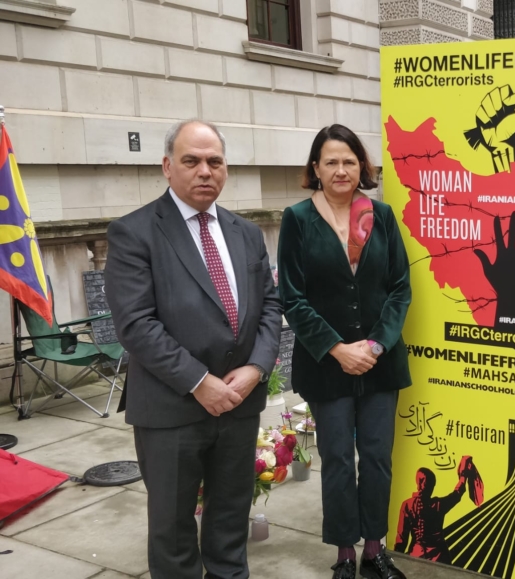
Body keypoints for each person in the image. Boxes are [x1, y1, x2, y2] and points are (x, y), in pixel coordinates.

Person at [106, 119, 282, 579]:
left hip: (239, 406)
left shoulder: (245, 232)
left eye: (215, 161)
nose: (205, 171)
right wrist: (200, 383)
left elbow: (269, 305)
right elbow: (136, 324)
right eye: (192, 161)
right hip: (172, 409)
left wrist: (257, 368)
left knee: (229, 526)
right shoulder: (134, 232)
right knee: (173, 534)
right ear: (167, 166)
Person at [278, 124, 412, 579]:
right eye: (331, 161)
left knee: (376, 456)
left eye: (349, 161)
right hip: (326, 364)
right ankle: (344, 555)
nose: (340, 170)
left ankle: (374, 549)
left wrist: (374, 345)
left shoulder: (381, 215)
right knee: (336, 458)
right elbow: (292, 299)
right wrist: (338, 349)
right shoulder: (297, 219)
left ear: (362, 167)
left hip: (380, 362)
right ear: (315, 168)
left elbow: (399, 290)